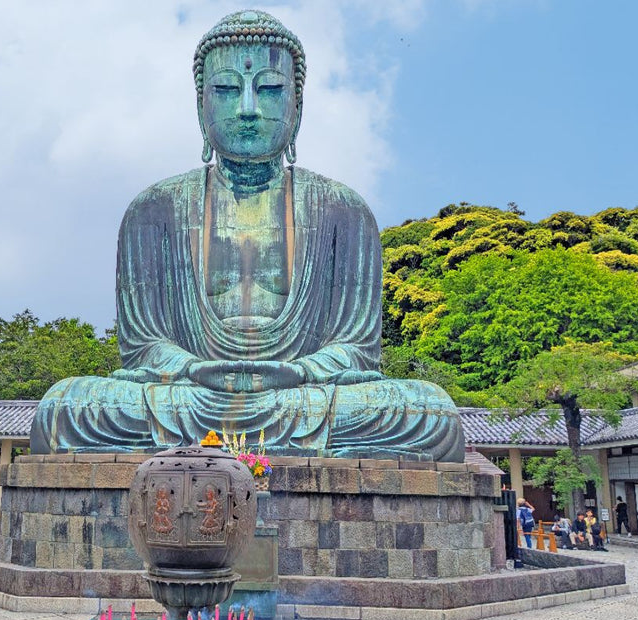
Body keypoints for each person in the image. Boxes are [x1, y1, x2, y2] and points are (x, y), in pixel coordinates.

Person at [28, 10, 464, 461]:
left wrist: (295, 373)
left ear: (298, 104)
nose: (249, 109)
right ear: (201, 105)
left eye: (271, 89)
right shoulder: (152, 211)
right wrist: (193, 368)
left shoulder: (343, 210)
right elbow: (143, 348)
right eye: (227, 89)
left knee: (429, 413)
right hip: (190, 395)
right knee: (64, 408)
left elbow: (356, 351)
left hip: (302, 396)